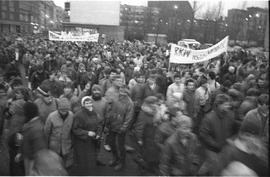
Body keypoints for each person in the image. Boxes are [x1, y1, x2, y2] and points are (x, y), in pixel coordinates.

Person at [198, 94, 236, 175]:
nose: (228, 106)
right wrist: (216, 144)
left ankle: (200, 173)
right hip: (211, 150)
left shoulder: (229, 116)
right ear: (218, 104)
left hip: (223, 148)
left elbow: (230, 130)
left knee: (210, 165)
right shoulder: (209, 117)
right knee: (216, 168)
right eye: (226, 104)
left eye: (228, 104)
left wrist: (229, 140)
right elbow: (203, 134)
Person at [72, 96, 102, 175]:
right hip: (82, 142)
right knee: (83, 160)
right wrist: (87, 133)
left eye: (90, 103)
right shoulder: (78, 115)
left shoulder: (94, 112)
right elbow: (75, 129)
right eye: (86, 103)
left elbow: (99, 124)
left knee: (91, 159)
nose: (89, 104)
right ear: (83, 104)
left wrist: (98, 134)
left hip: (92, 141)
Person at [107, 86, 134, 171]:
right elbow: (110, 109)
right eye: (121, 90)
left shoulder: (130, 103)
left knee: (121, 146)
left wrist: (123, 128)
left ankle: (122, 162)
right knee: (111, 143)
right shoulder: (115, 98)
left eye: (124, 91)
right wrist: (108, 120)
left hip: (121, 127)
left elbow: (129, 118)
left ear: (127, 92)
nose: (122, 92)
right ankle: (115, 158)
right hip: (112, 125)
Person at [44, 97, 74, 172]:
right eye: (61, 110)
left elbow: (73, 131)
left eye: (66, 110)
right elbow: (46, 132)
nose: (63, 112)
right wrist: (46, 146)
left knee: (65, 166)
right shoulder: (51, 116)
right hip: (54, 147)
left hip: (67, 146)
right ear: (58, 109)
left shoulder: (72, 116)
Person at [21, 102, 47, 175]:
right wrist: (20, 152)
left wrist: (32, 168)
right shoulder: (30, 124)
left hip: (32, 162)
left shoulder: (36, 129)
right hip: (27, 157)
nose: (23, 113)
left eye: (24, 111)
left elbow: (40, 150)